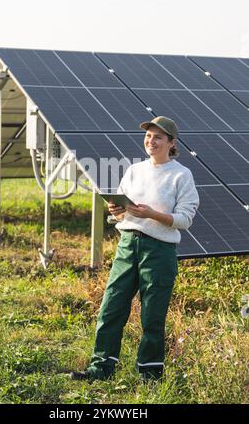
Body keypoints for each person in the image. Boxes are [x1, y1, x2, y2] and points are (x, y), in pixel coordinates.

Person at [70, 116, 199, 382]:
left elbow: (185, 220)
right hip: (127, 245)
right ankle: (100, 368)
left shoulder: (181, 176)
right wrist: (116, 211)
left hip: (159, 250)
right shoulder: (134, 170)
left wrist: (152, 214)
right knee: (111, 307)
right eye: (149, 136)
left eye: (158, 137)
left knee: (153, 315)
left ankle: (150, 374)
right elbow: (118, 214)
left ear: (171, 143)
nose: (151, 141)